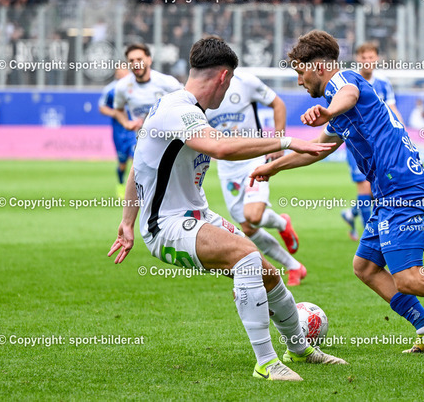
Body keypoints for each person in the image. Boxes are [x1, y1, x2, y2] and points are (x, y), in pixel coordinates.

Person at [250, 30, 424, 355]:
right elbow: (318, 148)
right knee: (365, 267)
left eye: (300, 72)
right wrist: (274, 167)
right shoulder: (337, 107)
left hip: (401, 186)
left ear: (319, 67)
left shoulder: (344, 82)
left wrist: (328, 111)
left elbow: (349, 94)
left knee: (408, 277)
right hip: (390, 191)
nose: (299, 80)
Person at [107, 37, 347, 381]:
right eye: (230, 80)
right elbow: (219, 148)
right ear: (223, 77)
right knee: (246, 257)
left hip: (196, 216)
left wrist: (127, 222)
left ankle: (300, 349)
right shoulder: (179, 110)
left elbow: (138, 165)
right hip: (166, 226)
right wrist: (286, 140)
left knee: (267, 273)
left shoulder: (173, 105)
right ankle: (266, 363)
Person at [206, 66, 307, 286]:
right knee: (249, 228)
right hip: (227, 167)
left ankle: (280, 222)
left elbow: (278, 104)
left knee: (253, 215)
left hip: (254, 159)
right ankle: (294, 266)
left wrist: (278, 141)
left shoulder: (245, 81)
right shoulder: (201, 92)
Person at [340, 43, 404, 241]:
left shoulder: (383, 82)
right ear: (358, 59)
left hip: (379, 144)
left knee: (378, 189)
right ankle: (372, 236)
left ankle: (352, 213)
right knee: (365, 188)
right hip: (356, 144)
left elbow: (392, 108)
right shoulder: (350, 82)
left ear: (377, 59)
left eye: (371, 57)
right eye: (364, 58)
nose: (367, 61)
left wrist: (402, 132)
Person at [112, 43, 182, 197]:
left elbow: (186, 103)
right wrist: (126, 123)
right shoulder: (123, 86)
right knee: (145, 191)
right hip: (143, 143)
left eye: (139, 59)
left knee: (173, 189)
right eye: (131, 61)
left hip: (169, 142)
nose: (136, 64)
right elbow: (118, 109)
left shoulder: (167, 83)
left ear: (149, 60)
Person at [98, 68, 135, 198]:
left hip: (135, 132)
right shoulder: (110, 90)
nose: (122, 74)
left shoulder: (136, 87)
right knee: (122, 163)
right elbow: (102, 108)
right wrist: (115, 113)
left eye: (124, 72)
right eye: (119, 72)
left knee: (137, 161)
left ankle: (138, 189)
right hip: (119, 132)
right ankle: (120, 184)